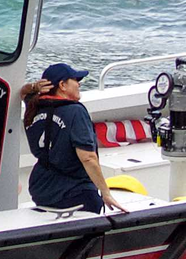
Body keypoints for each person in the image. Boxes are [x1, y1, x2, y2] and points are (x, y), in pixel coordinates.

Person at [21, 63, 126, 214]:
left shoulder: (34, 106)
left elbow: (23, 93)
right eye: (76, 80)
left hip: (42, 190)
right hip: (74, 193)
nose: (79, 84)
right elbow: (88, 158)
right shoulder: (75, 112)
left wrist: (34, 87)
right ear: (62, 85)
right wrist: (106, 193)